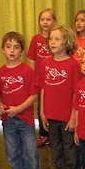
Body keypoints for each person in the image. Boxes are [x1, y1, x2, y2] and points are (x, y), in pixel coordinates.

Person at [0, 32, 47, 169]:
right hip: (8, 121)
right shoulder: (0, 73)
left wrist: (18, 109)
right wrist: (0, 106)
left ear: (21, 51)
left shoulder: (27, 71)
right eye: (8, 47)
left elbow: (34, 95)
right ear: (2, 50)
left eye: (16, 47)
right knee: (12, 154)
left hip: (26, 119)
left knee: (30, 152)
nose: (12, 50)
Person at [40, 25, 81, 169]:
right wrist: (42, 112)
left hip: (66, 117)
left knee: (70, 151)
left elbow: (76, 92)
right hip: (50, 115)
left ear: (67, 42)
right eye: (51, 39)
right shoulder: (46, 63)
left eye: (57, 39)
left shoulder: (73, 64)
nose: (53, 42)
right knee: (55, 151)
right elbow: (43, 88)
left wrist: (73, 116)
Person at [27, 8, 56, 147]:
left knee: (53, 105)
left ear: (54, 22)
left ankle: (55, 133)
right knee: (41, 108)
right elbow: (32, 59)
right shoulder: (36, 39)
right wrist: (32, 77)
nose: (45, 22)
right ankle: (44, 135)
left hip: (53, 79)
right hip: (40, 79)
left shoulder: (56, 39)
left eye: (48, 19)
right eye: (42, 19)